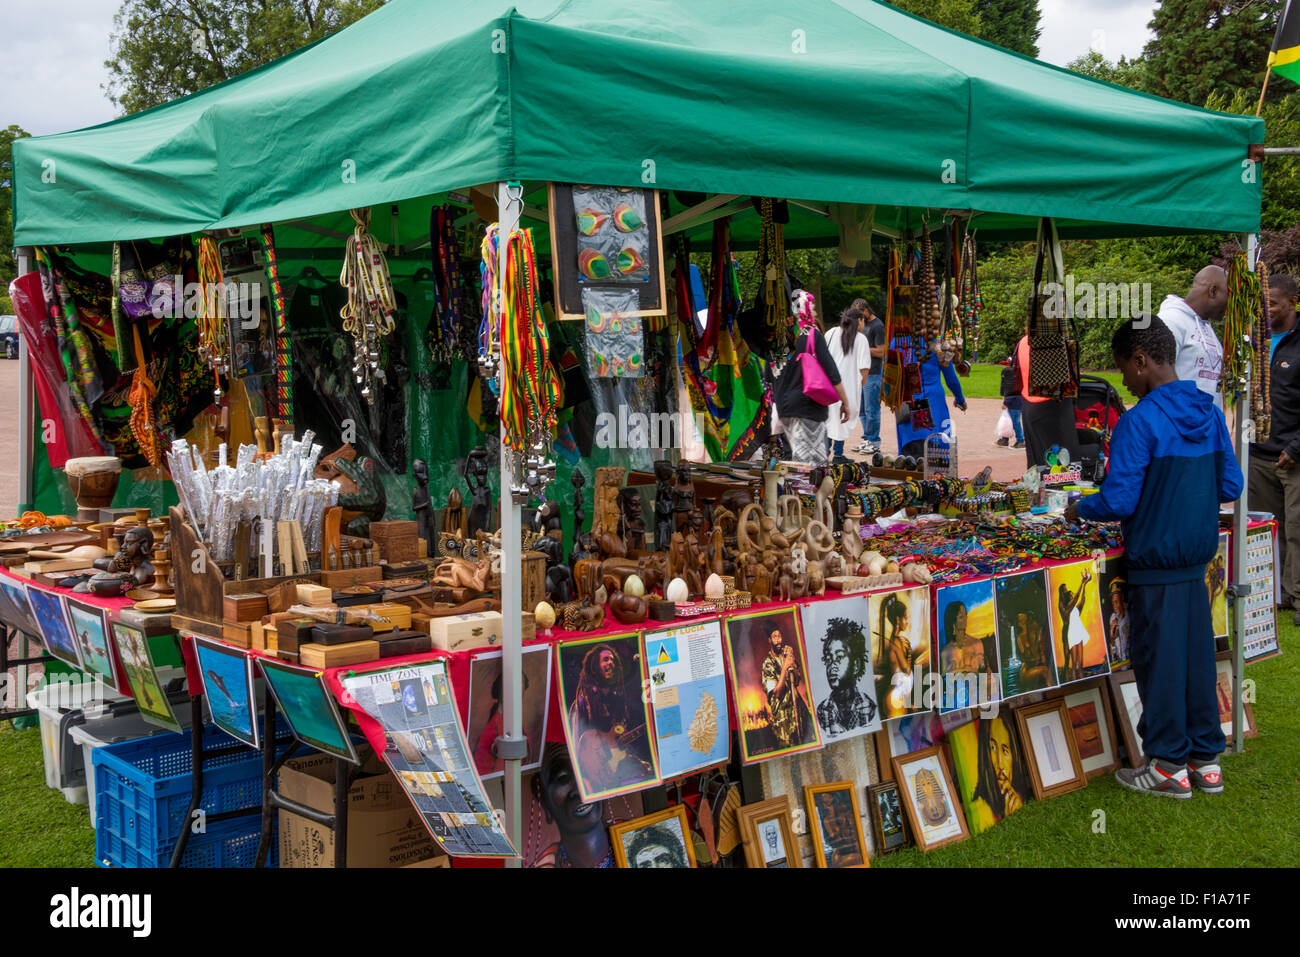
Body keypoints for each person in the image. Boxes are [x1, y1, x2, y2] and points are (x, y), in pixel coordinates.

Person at [1067, 315, 1243, 798]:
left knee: (1160, 664)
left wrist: (1079, 506)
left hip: (1156, 565)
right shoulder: (1208, 414)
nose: (1123, 380)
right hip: (1196, 565)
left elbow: (1119, 501)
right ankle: (1206, 760)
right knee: (1195, 661)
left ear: (1142, 361)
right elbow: (1231, 484)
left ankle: (1167, 765)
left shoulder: (1139, 421)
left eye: (1124, 368)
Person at [1248, 271, 1300, 620]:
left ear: (1293, 303)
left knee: (1297, 530)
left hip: (1294, 455)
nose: (1266, 309)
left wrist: (1297, 448)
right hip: (1257, 452)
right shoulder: (1254, 338)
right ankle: (1271, 596)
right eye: (1263, 302)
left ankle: (1297, 598)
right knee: (1264, 528)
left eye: (1273, 303)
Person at [774, 289, 852, 465]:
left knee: (790, 462)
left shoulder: (779, 337)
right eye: (813, 309)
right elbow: (832, 373)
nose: (815, 313)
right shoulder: (811, 334)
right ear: (805, 309)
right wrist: (845, 403)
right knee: (810, 467)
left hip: (783, 408)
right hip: (806, 407)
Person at [567, 643, 652, 788]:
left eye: (612, 660)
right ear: (594, 667)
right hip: (595, 773)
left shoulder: (618, 699)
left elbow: (619, 739)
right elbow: (578, 744)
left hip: (617, 764)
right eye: (606, 659)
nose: (610, 663)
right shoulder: (583, 702)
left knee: (648, 770)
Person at [531, 744, 613, 868]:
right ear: (542, 799)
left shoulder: (639, 839)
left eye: (585, 771)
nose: (580, 789)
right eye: (562, 778)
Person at [1157, 265, 1227, 406]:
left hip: (1206, 425)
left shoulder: (1206, 326)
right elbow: (1157, 379)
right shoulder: (1171, 321)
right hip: (1182, 425)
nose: (1231, 306)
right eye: (1229, 296)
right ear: (1213, 291)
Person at [1016, 333, 1081, 468]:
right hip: (1052, 406)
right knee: (1061, 461)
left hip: (1029, 403)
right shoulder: (1053, 342)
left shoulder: (1024, 341)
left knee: (1037, 459)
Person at [896, 348, 966, 460]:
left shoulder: (899, 342)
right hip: (933, 402)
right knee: (935, 452)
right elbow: (951, 379)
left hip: (909, 400)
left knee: (909, 460)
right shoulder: (940, 347)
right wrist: (960, 399)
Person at [815, 616, 878, 734]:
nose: (832, 665)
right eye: (828, 659)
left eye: (839, 657)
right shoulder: (822, 712)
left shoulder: (869, 707)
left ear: (855, 665)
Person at [825, 305, 871, 460]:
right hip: (848, 387)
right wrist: (861, 384)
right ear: (859, 320)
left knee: (829, 418)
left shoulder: (831, 333)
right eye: (863, 321)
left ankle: (824, 453)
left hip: (828, 384)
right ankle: (838, 454)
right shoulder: (861, 339)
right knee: (842, 418)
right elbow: (864, 368)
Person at [761, 625, 815, 750]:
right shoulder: (767, 663)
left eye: (780, 636)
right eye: (775, 637)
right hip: (783, 717)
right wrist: (785, 668)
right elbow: (777, 693)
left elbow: (796, 681)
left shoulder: (786, 654)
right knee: (790, 750)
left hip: (797, 710)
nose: (779, 640)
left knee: (807, 743)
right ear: (769, 640)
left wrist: (791, 662)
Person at [971, 717, 1031, 823]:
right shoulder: (980, 809)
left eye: (1005, 751)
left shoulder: (1019, 798)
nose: (1000, 764)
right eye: (992, 748)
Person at [939, 601, 994, 708]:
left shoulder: (976, 643)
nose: (965, 620)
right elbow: (944, 681)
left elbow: (983, 669)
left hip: (976, 691)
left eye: (965, 616)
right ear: (953, 621)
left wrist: (987, 671)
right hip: (957, 697)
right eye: (961, 617)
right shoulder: (946, 651)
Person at [854, 299, 887, 455]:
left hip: (873, 372)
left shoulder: (878, 326)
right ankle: (867, 438)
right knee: (861, 410)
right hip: (861, 372)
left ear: (867, 310)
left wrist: (862, 347)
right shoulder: (863, 325)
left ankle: (874, 441)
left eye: (860, 314)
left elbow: (881, 352)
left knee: (871, 409)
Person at [1056, 570, 1093, 683]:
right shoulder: (1067, 608)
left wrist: (1085, 586)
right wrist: (1082, 583)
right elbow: (1077, 598)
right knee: (1074, 664)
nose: (1072, 596)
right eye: (1070, 595)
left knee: (1080, 664)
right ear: (1067, 598)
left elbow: (1082, 600)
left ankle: (1082, 683)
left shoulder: (1075, 609)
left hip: (1079, 633)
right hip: (1071, 634)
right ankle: (1074, 682)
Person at [996, 354, 1025, 449]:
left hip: (1014, 401)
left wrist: (1006, 402)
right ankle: (1005, 439)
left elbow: (1010, 390)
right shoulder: (1016, 373)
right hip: (1015, 399)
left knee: (1015, 421)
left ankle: (1020, 440)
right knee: (1009, 420)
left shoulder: (1010, 373)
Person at [1108, 578, 1130, 664]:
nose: (1115, 606)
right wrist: (1111, 633)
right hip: (1120, 663)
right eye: (1113, 603)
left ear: (1122, 597)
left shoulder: (1131, 611)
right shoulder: (1113, 618)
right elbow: (1113, 644)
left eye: (1117, 602)